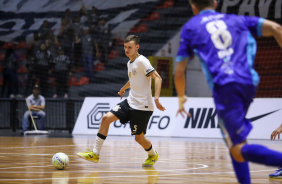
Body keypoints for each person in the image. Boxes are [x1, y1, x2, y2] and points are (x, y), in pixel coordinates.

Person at [174, 0, 282, 183]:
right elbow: (276, 28)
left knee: (237, 148)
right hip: (249, 82)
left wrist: (181, 98)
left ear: (193, 6)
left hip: (225, 86)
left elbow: (179, 72)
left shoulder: (191, 27)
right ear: (215, 3)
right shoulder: (237, 19)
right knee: (232, 139)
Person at [77, 35, 166, 167]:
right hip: (130, 101)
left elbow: (157, 78)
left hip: (142, 107)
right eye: (125, 47)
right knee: (105, 118)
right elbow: (134, 79)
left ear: (137, 47)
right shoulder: (129, 63)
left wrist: (157, 98)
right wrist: (123, 88)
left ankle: (153, 154)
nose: (126, 50)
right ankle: (95, 153)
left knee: (139, 138)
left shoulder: (142, 61)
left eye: (129, 47)